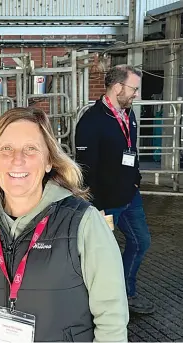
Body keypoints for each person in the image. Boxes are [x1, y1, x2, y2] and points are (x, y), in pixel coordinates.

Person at [0, 107, 129, 342]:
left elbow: (111, 317)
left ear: (49, 160)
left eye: (31, 149)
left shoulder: (84, 223)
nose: (18, 159)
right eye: (6, 149)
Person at [75, 65, 154, 314]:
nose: (136, 95)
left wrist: (136, 179)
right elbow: (86, 168)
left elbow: (132, 150)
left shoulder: (127, 115)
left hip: (130, 196)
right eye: (134, 89)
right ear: (117, 87)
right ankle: (99, 304)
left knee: (141, 242)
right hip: (106, 202)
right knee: (101, 257)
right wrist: (95, 206)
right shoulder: (91, 121)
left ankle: (126, 294)